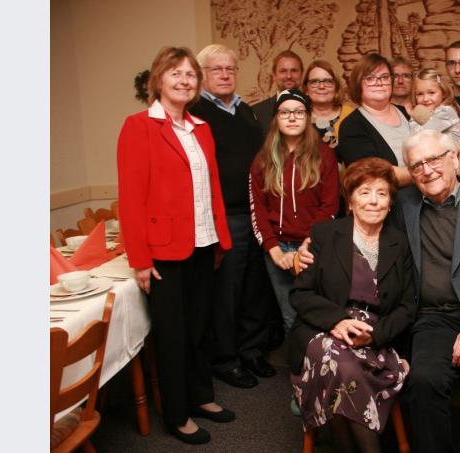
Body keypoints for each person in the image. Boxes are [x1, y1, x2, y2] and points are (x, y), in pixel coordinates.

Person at [297, 130, 460, 452]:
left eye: (434, 159)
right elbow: (361, 216)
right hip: (433, 318)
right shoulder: (403, 206)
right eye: (417, 165)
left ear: (454, 158)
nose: (427, 169)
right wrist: (309, 247)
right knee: (424, 381)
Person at [117, 46, 234, 445]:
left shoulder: (200, 127)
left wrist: (220, 241)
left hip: (204, 244)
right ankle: (177, 414)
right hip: (164, 251)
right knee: (172, 334)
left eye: (189, 75)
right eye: (175, 73)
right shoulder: (139, 126)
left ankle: (202, 397)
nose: (184, 80)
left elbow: (211, 188)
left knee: (200, 328)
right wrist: (139, 260)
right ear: (158, 80)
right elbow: (131, 199)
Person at [289, 157, 415, 453]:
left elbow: (408, 304)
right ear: (350, 201)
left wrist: (377, 334)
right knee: (340, 363)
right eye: (364, 192)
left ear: (390, 203)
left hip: (376, 337)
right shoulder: (325, 234)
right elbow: (301, 295)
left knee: (341, 374)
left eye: (381, 193)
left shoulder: (400, 242)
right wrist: (337, 321)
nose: (373, 201)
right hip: (323, 331)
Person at [190, 44, 276, 390]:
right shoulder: (196, 112)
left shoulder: (245, 111)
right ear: (202, 75)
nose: (225, 75)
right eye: (216, 70)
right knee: (227, 291)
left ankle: (252, 350)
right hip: (225, 215)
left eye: (230, 69)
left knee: (256, 288)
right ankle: (226, 359)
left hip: (257, 213)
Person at [249, 88, 340, 335]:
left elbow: (330, 206)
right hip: (277, 249)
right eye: (285, 112)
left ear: (308, 117)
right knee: (290, 317)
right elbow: (257, 210)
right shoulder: (262, 160)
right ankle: (297, 370)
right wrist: (274, 251)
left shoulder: (324, 155)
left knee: (319, 314)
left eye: (299, 112)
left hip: (313, 249)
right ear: (276, 118)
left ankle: (323, 369)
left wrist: (308, 245)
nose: (292, 117)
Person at [338, 53, 413, 187]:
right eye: (370, 78)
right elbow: (375, 175)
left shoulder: (406, 113)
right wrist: (424, 172)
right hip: (388, 204)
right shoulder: (351, 126)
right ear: (357, 84)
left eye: (384, 77)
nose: (379, 83)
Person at [408, 68, 460, 176]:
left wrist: (416, 113)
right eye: (420, 94)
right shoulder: (425, 113)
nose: (426, 98)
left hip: (454, 169)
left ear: (443, 93)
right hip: (434, 166)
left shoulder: (447, 111)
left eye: (431, 93)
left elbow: (420, 137)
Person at [302, 59, 355, 149]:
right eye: (314, 82)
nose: (321, 86)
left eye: (328, 81)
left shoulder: (352, 115)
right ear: (306, 89)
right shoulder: (299, 117)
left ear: (336, 87)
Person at [251, 50, 305, 133]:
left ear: (301, 74)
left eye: (294, 70)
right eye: (283, 71)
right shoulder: (257, 112)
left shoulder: (313, 109)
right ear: (274, 75)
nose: (289, 76)